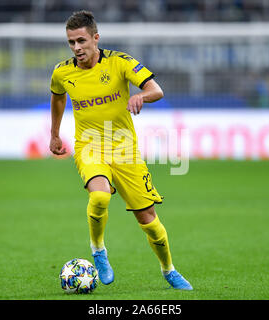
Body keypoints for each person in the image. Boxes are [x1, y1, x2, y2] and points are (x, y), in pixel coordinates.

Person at [49, 10, 192, 290]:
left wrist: (140, 95)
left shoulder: (120, 62)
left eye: (81, 40)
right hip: (88, 146)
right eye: (71, 42)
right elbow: (57, 97)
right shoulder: (62, 72)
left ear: (95, 38)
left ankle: (168, 270)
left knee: (148, 220)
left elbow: (156, 90)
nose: (76, 48)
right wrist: (54, 134)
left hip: (125, 150)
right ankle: (99, 250)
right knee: (100, 195)